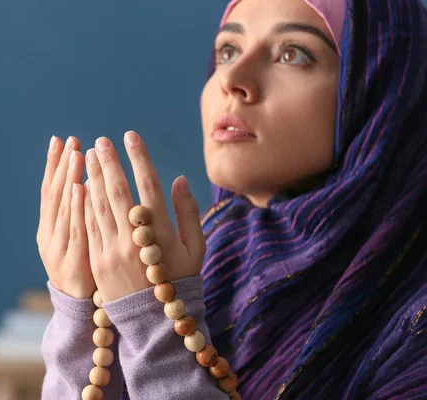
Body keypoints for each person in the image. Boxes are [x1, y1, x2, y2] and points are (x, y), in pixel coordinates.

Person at [37, 0, 427, 398]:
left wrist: (152, 324)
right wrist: (77, 314)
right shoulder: (206, 262)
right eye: (228, 51)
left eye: (291, 54)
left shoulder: (415, 324)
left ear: (381, 91)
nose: (233, 78)